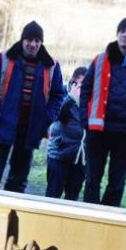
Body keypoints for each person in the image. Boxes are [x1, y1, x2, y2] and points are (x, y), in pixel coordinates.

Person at [0, 21, 64, 193]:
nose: (33, 44)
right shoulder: (4, 59)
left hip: (31, 129)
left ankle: (11, 207)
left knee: (18, 180)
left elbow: (57, 95)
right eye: (29, 40)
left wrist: (46, 119)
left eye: (37, 41)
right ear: (22, 40)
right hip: (3, 124)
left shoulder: (51, 65)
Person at [79, 17, 126, 207]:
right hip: (98, 131)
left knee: (116, 183)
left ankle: (108, 218)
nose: (125, 35)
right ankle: (89, 215)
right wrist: (85, 119)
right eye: (122, 31)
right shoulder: (100, 60)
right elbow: (85, 89)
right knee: (92, 179)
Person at [46, 66, 88, 200]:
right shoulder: (62, 94)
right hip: (59, 156)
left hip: (80, 159)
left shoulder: (91, 99)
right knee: (52, 197)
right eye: (82, 85)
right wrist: (71, 98)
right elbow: (56, 115)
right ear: (72, 83)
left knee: (72, 199)